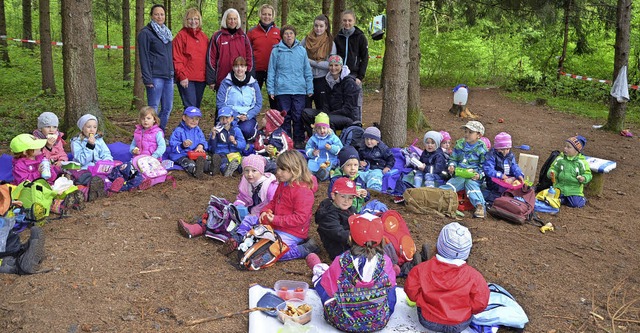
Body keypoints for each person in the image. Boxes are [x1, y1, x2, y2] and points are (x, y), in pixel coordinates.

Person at [305, 213, 397, 332]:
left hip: (342, 322)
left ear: (350, 237)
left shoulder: (341, 261)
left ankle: (318, 268)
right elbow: (390, 293)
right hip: (378, 322)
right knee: (391, 288)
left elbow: (329, 290)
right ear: (381, 240)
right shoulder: (386, 261)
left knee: (322, 282)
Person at [405, 222, 490, 333]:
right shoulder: (474, 277)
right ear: (466, 252)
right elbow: (480, 304)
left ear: (439, 245)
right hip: (460, 323)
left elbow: (411, 293)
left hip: (428, 320)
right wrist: (465, 309)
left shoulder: (420, 270)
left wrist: (423, 300)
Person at [178, 154, 278, 239]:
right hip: (246, 211)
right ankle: (198, 227)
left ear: (261, 171)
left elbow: (273, 209)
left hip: (259, 218)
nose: (249, 174)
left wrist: (256, 215)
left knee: (235, 223)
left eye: (254, 171)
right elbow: (242, 198)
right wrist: (237, 207)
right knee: (221, 209)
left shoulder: (270, 186)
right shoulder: (246, 181)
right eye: (246, 171)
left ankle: (235, 238)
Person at [267, 25, 314, 149]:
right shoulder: (276, 51)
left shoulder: (301, 51)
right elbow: (271, 71)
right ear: (282, 36)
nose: (289, 36)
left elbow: (307, 70)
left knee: (298, 116)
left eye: (291, 33)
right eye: (286, 33)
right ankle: (286, 139)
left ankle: (298, 140)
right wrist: (271, 89)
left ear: (295, 35)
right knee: (285, 116)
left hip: (299, 89)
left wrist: (310, 87)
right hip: (282, 89)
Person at [301, 55, 361, 136]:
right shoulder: (326, 81)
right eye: (331, 65)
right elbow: (325, 104)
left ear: (341, 66)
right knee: (306, 113)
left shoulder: (349, 83)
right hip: (330, 113)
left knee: (326, 120)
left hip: (347, 117)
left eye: (336, 65)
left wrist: (327, 115)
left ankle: (331, 142)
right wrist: (323, 114)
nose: (333, 68)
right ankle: (314, 138)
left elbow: (348, 109)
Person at [137, 4, 174, 131]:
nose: (159, 16)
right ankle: (148, 135)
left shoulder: (167, 34)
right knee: (153, 109)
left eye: (162, 14)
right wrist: (147, 78)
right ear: (152, 16)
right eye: (156, 14)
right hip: (155, 76)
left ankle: (159, 133)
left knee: (167, 108)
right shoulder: (146, 33)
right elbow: (144, 56)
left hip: (168, 76)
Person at [440, 121, 488, 219]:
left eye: (470, 132)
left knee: (472, 185)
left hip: (473, 176)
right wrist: (452, 166)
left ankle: (480, 206)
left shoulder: (482, 148)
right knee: (453, 184)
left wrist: (479, 175)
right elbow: (453, 158)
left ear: (478, 135)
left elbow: (484, 166)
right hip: (460, 173)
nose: (467, 134)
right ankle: (437, 196)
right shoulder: (460, 144)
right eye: (466, 131)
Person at [206, 8, 253, 92]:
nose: (232, 21)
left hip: (241, 77)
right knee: (222, 104)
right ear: (225, 20)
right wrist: (211, 80)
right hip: (222, 78)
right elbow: (211, 59)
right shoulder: (217, 36)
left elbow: (250, 57)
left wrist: (249, 74)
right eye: (230, 19)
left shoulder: (243, 36)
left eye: (235, 19)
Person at [216, 56, 262, 141]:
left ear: (246, 68)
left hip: (247, 116)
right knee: (226, 133)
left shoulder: (253, 83)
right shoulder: (226, 83)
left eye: (242, 66)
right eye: (236, 66)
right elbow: (220, 103)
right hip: (229, 116)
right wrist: (235, 115)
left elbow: (258, 104)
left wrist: (248, 115)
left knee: (246, 130)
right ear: (233, 68)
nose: (239, 69)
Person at [173, 8, 208, 109]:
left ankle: (192, 125)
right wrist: (182, 76)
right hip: (187, 79)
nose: (193, 21)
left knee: (196, 108)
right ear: (186, 20)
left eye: (196, 19)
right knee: (190, 108)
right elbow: (177, 57)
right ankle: (186, 125)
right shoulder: (181, 36)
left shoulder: (203, 37)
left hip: (201, 78)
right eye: (190, 19)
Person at [247, 4, 280, 109]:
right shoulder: (252, 32)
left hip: (274, 71)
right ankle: (250, 123)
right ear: (260, 15)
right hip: (256, 70)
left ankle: (275, 123)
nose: (267, 17)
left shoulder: (278, 32)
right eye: (264, 14)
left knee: (275, 101)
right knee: (252, 99)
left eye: (269, 14)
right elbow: (246, 51)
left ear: (273, 16)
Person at [315, 177, 357, 259]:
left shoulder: (351, 209)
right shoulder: (328, 214)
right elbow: (338, 233)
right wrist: (358, 238)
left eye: (350, 198)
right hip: (339, 249)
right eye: (343, 196)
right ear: (333, 195)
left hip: (351, 243)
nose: (346, 201)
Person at [300, 14, 336, 109]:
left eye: (321, 26)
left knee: (321, 108)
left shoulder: (330, 42)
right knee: (305, 108)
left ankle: (321, 124)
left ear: (326, 27)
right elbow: (298, 55)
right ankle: (306, 124)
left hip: (322, 79)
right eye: (316, 25)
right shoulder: (306, 39)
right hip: (306, 79)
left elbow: (331, 65)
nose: (318, 28)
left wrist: (309, 61)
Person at [334, 9, 368, 107]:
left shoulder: (360, 37)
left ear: (354, 21)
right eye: (345, 20)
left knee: (356, 104)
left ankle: (357, 122)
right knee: (340, 103)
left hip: (354, 75)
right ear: (342, 21)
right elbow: (335, 56)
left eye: (349, 20)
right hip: (340, 75)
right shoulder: (338, 37)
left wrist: (360, 77)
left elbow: (365, 58)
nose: (347, 23)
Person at [547, 135, 592, 208]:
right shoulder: (560, 159)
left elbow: (588, 174)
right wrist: (552, 173)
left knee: (575, 204)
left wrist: (583, 178)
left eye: (569, 147)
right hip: (559, 187)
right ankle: (563, 200)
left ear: (576, 151)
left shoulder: (581, 162)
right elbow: (553, 168)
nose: (565, 149)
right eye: (565, 146)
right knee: (550, 198)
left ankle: (582, 200)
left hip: (574, 190)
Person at [482, 132, 525, 205]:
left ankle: (513, 199)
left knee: (521, 187)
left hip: (508, 179)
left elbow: (514, 166)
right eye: (501, 149)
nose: (505, 152)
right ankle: (493, 202)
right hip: (495, 180)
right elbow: (488, 169)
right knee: (498, 191)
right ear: (496, 148)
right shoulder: (492, 155)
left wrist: (519, 174)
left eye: (507, 149)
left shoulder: (510, 155)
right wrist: (500, 175)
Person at [168, 107, 208, 178]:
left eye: (196, 119)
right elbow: (172, 145)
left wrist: (200, 145)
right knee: (189, 163)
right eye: (191, 118)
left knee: (204, 161)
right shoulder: (178, 131)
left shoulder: (198, 130)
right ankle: (195, 171)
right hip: (182, 155)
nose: (194, 121)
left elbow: (203, 140)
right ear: (184, 117)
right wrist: (182, 145)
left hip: (195, 153)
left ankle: (210, 168)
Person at [207, 106, 247, 177]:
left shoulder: (236, 130)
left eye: (227, 118)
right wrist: (213, 137)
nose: (224, 121)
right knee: (222, 161)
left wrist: (235, 142)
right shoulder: (216, 130)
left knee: (238, 160)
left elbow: (243, 144)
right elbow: (211, 148)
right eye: (222, 118)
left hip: (234, 153)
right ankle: (226, 170)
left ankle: (242, 169)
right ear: (219, 119)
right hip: (222, 153)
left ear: (232, 118)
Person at [328, 146, 369, 213]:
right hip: (340, 212)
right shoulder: (336, 180)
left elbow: (366, 197)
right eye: (349, 165)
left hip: (356, 212)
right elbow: (331, 195)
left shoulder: (359, 180)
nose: (353, 168)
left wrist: (365, 194)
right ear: (342, 167)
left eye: (355, 165)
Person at [304, 112, 343, 182]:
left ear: (328, 128)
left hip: (328, 160)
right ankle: (311, 175)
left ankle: (321, 175)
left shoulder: (333, 137)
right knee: (309, 168)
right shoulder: (313, 138)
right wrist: (312, 153)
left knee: (325, 171)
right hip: (316, 159)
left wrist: (331, 148)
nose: (322, 130)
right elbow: (308, 148)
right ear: (315, 129)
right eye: (319, 128)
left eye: (324, 128)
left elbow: (340, 148)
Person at [358, 126, 394, 191]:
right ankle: (358, 189)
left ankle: (373, 191)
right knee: (357, 175)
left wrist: (388, 167)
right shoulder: (362, 148)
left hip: (378, 169)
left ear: (377, 140)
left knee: (375, 178)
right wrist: (359, 162)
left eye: (372, 139)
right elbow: (358, 157)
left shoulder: (382, 149)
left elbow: (391, 158)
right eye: (367, 139)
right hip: (365, 169)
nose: (369, 141)